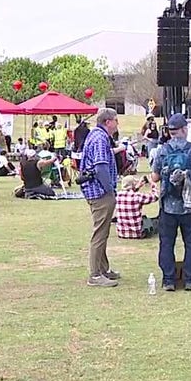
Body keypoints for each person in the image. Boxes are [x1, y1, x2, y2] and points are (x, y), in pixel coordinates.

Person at [153, 113, 191, 291]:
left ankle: (168, 280)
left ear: (170, 131)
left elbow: (154, 177)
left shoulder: (162, 150)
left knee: (166, 243)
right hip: (189, 204)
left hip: (168, 205)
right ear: (185, 129)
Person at [79, 108, 122, 287]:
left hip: (98, 190)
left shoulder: (98, 136)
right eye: (116, 120)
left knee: (103, 232)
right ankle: (95, 274)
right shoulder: (99, 138)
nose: (117, 124)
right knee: (100, 233)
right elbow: (100, 167)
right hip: (100, 192)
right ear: (108, 122)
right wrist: (109, 189)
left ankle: (103, 269)